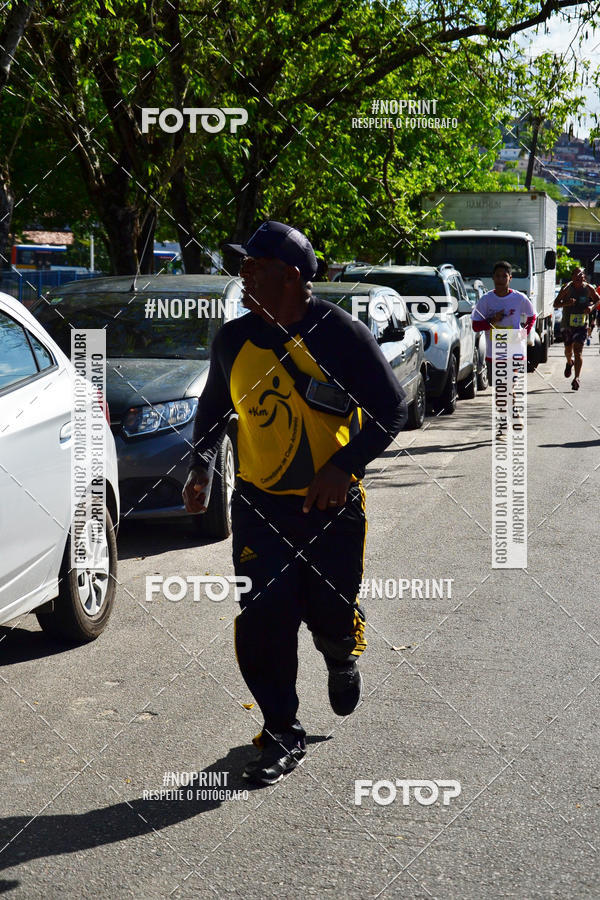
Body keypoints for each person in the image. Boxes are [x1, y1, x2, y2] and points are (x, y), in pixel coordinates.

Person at [182, 221, 407, 786]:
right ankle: (281, 731)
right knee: (263, 616)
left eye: (251, 266)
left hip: (331, 508)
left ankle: (340, 649)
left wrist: (344, 466)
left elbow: (391, 408)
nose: (242, 275)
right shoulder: (232, 339)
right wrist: (201, 468)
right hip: (259, 506)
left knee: (330, 608)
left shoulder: (341, 334)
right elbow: (213, 408)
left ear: (288, 275)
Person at [471, 261, 536, 434]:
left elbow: (532, 316)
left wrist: (524, 332)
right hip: (494, 352)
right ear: (493, 278)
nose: (500, 279)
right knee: (500, 390)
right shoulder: (486, 300)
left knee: (506, 388)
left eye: (504, 276)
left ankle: (505, 423)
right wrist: (491, 320)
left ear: (510, 278)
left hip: (514, 350)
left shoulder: (519, 298)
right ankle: (511, 416)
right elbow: (475, 326)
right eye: (497, 276)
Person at [554, 268, 598, 390]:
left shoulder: (588, 288)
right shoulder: (566, 288)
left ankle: (577, 378)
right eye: (576, 275)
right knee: (568, 350)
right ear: (572, 277)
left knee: (578, 351)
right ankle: (569, 362)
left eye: (581, 275)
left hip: (581, 325)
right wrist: (567, 303)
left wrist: (591, 307)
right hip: (567, 325)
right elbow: (556, 304)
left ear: (584, 277)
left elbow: (598, 300)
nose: (578, 277)